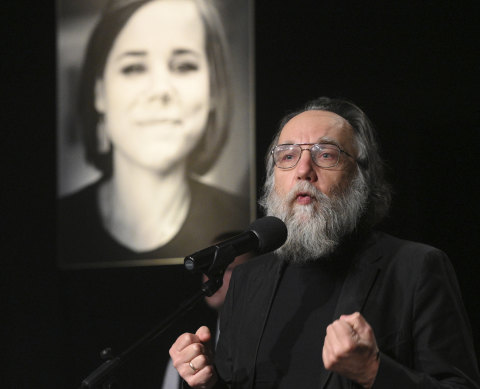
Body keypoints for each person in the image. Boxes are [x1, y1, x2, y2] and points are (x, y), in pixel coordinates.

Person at [169, 97, 480, 388]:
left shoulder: (416, 268)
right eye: (288, 156)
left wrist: (374, 372)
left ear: (361, 178)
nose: (304, 170)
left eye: (326, 155)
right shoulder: (248, 280)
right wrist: (207, 383)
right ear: (272, 178)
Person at [58, 0, 250, 266]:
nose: (160, 89)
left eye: (184, 66)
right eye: (134, 68)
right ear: (99, 93)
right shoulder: (55, 226)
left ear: (214, 90)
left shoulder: (249, 227)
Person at [162, 231, 257, 389]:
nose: (212, 276)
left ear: (257, 276)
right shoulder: (187, 353)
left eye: (228, 268)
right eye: (208, 268)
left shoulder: (272, 340)